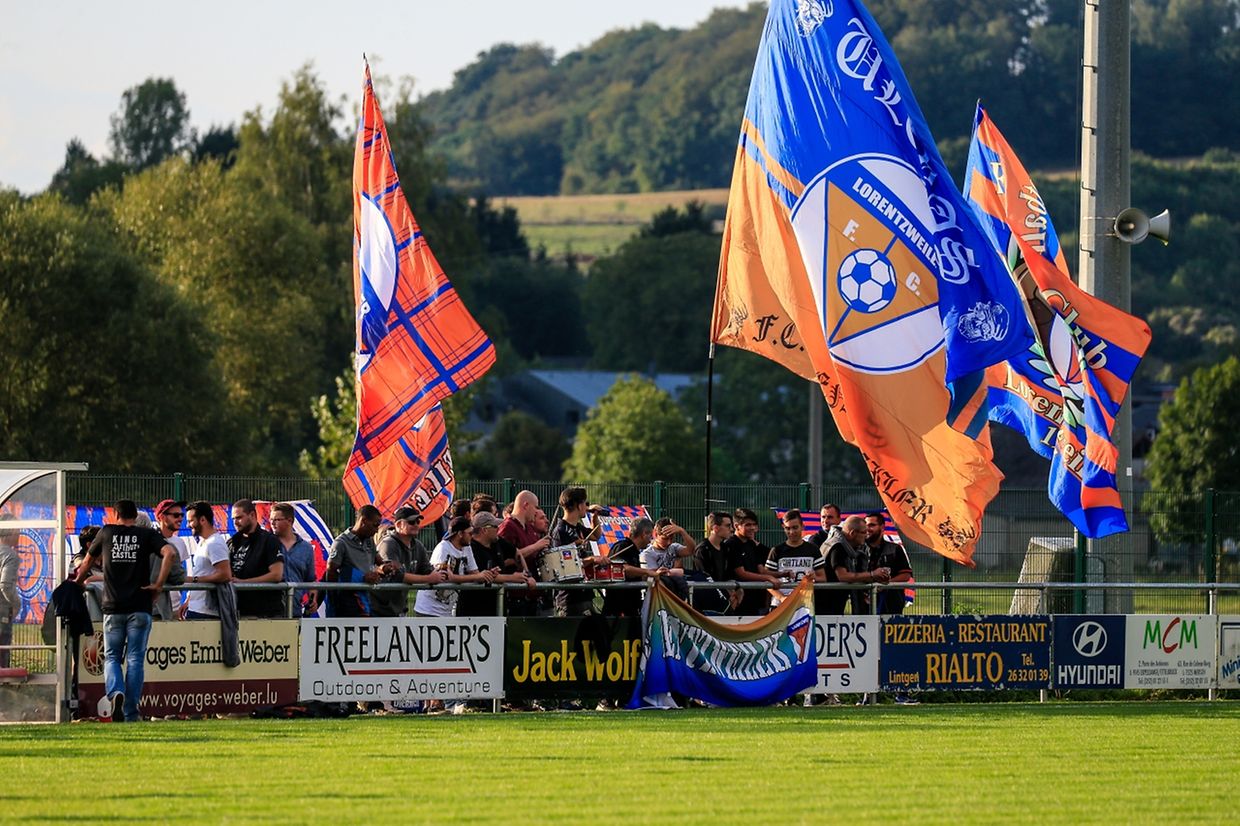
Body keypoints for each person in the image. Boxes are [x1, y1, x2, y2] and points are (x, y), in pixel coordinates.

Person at [74, 499, 175, 722]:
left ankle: (115, 692)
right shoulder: (145, 535)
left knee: (111, 657)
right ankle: (131, 712)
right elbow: (170, 553)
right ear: (135, 515)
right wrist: (158, 584)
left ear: (115, 514)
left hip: (113, 606)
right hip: (140, 606)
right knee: (136, 659)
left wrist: (79, 581)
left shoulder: (106, 532)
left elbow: (88, 559)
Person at [413, 516, 497, 619]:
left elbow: (474, 573)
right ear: (460, 534)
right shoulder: (443, 548)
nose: (472, 536)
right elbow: (445, 578)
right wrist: (477, 576)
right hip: (429, 610)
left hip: (447, 611)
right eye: (469, 533)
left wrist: (486, 574)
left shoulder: (467, 548)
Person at [371, 506, 448, 618]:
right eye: (411, 522)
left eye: (418, 521)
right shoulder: (388, 544)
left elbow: (426, 570)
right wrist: (430, 579)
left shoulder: (418, 545)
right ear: (398, 525)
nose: (416, 524)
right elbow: (396, 575)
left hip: (399, 609)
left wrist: (441, 572)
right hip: (378, 610)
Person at [460, 512, 535, 616]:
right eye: (495, 526)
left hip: (497, 605)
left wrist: (527, 574)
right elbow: (485, 576)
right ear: (484, 530)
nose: (498, 529)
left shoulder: (497, 542)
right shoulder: (471, 549)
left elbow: (516, 552)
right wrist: (513, 578)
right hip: (474, 609)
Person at [547, 487, 602, 617]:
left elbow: (596, 535)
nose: (586, 507)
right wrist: (592, 559)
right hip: (569, 598)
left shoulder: (578, 527)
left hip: (583, 593)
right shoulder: (560, 531)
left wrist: (594, 516)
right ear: (579, 505)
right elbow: (564, 566)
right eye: (585, 503)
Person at [320, 506, 384, 618]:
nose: (377, 530)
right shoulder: (341, 543)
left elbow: (379, 563)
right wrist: (335, 601)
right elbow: (331, 572)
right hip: (347, 602)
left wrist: (386, 568)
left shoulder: (369, 541)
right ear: (363, 521)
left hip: (366, 599)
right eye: (375, 525)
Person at [227, 499, 285, 618]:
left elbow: (276, 575)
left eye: (239, 517)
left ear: (252, 515)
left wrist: (243, 583)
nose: (235, 522)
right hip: (238, 611)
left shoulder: (269, 540)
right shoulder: (232, 542)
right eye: (233, 519)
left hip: (266, 613)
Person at [823, 516, 890, 616]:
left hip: (834, 603)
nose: (867, 535)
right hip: (825, 604)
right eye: (864, 532)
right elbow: (843, 576)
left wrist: (876, 578)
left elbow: (856, 574)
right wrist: (872, 574)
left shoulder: (846, 546)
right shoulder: (837, 547)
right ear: (853, 533)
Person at [602, 517, 667, 617]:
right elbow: (622, 569)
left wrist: (653, 574)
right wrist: (647, 572)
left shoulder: (634, 550)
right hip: (618, 608)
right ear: (644, 533)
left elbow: (633, 575)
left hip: (631, 606)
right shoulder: (623, 547)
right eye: (650, 535)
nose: (651, 540)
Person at [765, 510, 827, 608]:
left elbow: (823, 578)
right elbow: (767, 581)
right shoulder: (776, 550)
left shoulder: (813, 549)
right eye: (787, 528)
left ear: (802, 526)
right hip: (780, 606)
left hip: (804, 605)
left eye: (795, 528)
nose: (791, 532)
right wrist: (781, 598)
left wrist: (814, 577)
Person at [724, 508, 780, 617]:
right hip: (740, 601)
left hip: (755, 601)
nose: (752, 528)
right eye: (748, 525)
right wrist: (769, 578)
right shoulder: (732, 544)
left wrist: (782, 574)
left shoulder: (751, 544)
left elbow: (761, 570)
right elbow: (741, 573)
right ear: (736, 526)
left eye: (754, 524)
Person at [183, 501, 232, 620]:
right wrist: (188, 602)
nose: (188, 525)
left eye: (191, 521)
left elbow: (225, 575)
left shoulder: (215, 543)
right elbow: (201, 572)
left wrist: (193, 580)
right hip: (195, 608)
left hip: (206, 612)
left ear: (203, 520)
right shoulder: (203, 541)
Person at [271, 503, 317, 616]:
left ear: (290, 521)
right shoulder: (268, 544)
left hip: (295, 611)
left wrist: (313, 599)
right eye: (271, 519)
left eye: (277, 519)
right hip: (271, 611)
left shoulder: (306, 548)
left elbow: (310, 580)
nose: (272, 523)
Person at [865, 513, 913, 615]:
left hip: (891, 603)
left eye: (871, 525)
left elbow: (906, 575)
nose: (867, 529)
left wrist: (886, 584)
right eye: (865, 525)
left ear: (882, 527)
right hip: (864, 606)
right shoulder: (858, 550)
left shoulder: (895, 549)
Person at [690, 512, 738, 614]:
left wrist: (734, 591)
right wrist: (725, 593)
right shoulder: (703, 550)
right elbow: (704, 577)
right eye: (728, 526)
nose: (732, 529)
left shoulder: (726, 548)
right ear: (715, 528)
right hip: (708, 602)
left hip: (724, 598)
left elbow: (729, 573)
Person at [151, 500, 189, 621]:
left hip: (174, 608)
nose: (180, 518)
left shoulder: (180, 542)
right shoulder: (150, 540)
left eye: (181, 515)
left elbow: (179, 575)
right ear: (162, 517)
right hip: (155, 607)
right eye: (175, 515)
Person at [499, 491, 551, 576]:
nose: (536, 512)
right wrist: (535, 547)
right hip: (516, 586)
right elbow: (503, 561)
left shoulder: (528, 527)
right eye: (535, 507)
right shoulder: (508, 527)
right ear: (526, 505)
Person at [0, 516, 19, 669]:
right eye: (18, 529)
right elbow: (5, 585)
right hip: (2, 612)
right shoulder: (10, 556)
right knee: (3, 650)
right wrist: (15, 604)